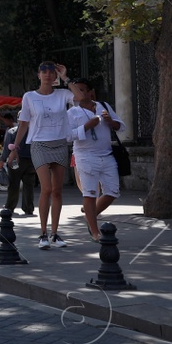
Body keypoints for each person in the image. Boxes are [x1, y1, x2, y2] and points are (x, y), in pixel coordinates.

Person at [16, 61, 74, 249]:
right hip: (39, 144)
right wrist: (14, 147)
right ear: (38, 75)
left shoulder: (63, 94)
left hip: (59, 143)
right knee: (46, 188)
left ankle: (55, 233)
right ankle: (42, 233)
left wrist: (66, 77)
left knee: (57, 190)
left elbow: (81, 99)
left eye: (51, 72)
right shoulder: (29, 96)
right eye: (44, 71)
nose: (48, 75)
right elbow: (24, 122)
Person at [67, 77, 125, 240]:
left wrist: (111, 121)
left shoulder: (103, 106)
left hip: (106, 155)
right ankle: (94, 231)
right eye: (75, 90)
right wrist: (86, 126)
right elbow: (67, 135)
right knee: (90, 193)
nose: (79, 93)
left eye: (82, 90)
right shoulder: (72, 113)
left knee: (113, 191)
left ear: (90, 92)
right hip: (85, 156)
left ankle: (90, 216)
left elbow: (121, 126)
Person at [0, 112, 36, 216]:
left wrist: (2, 160)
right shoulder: (34, 131)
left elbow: (7, 148)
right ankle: (28, 208)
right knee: (29, 185)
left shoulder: (12, 131)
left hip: (16, 160)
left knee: (14, 184)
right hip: (31, 161)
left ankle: (10, 206)